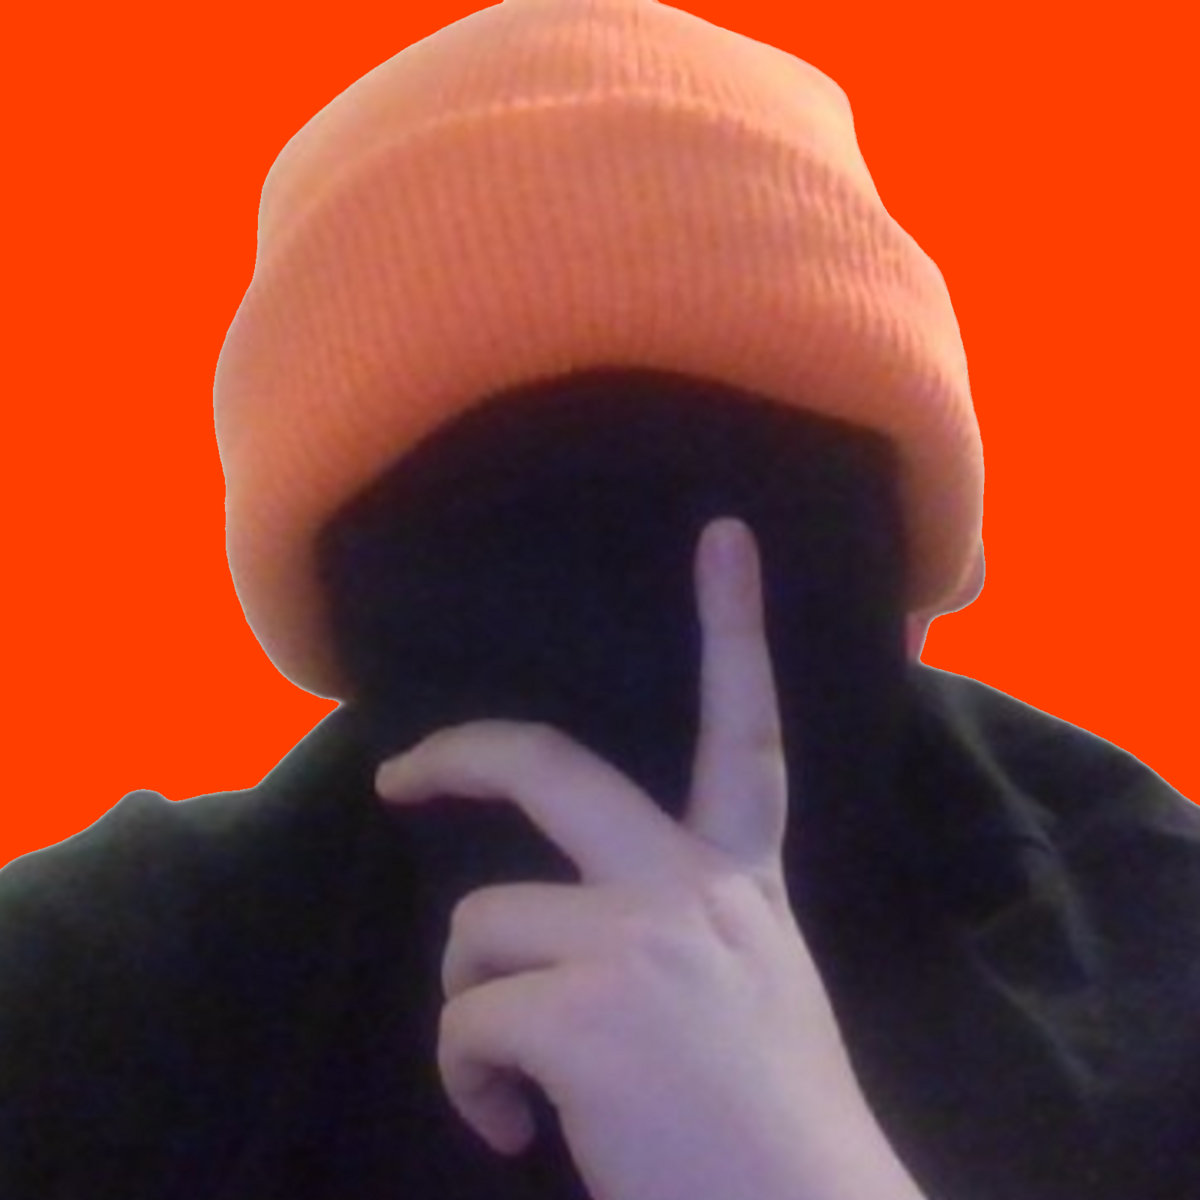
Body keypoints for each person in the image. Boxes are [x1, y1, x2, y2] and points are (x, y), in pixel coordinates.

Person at [2, 3, 1197, 1199]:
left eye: (753, 496)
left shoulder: (1164, 967)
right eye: (494, 531)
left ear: (917, 573)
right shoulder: (101, 1001)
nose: (622, 640)